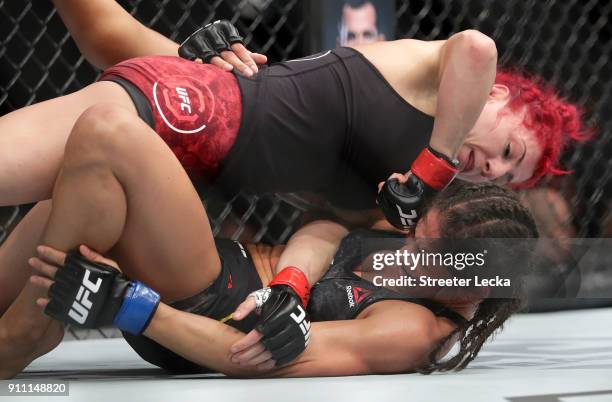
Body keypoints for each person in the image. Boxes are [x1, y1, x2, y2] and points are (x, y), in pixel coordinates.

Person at [0, 100, 538, 378]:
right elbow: (329, 231)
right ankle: (19, 325)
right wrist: (291, 282)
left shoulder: (410, 328)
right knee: (76, 197)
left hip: (206, 309)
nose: (403, 252)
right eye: (416, 238)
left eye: (425, 262)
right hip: (218, 267)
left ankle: (26, 336)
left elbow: (252, 358)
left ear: (468, 290)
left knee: (108, 132)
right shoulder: (412, 244)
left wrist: (130, 306)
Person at [0, 0, 591, 229]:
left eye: (503, 177)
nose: (488, 168)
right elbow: (478, 47)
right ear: (496, 98)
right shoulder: (445, 82)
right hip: (190, 115)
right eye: (506, 151)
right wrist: (434, 169)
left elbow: (319, 214)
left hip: (184, 160)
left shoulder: (398, 186)